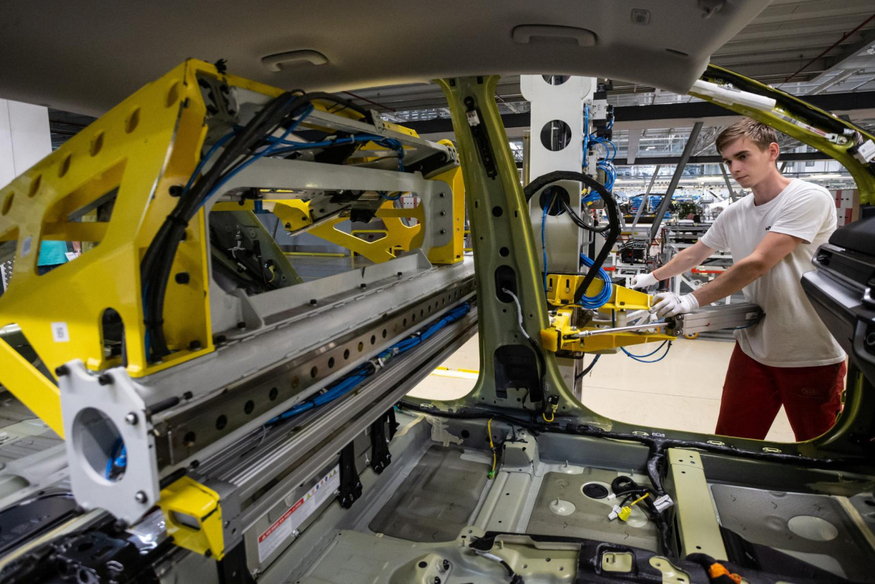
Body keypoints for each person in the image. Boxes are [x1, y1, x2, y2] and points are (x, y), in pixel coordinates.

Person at [630, 118, 846, 442]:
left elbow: (758, 263)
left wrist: (690, 300)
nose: (734, 167)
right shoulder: (735, 212)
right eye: (728, 161)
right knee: (730, 440)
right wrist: (649, 278)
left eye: (742, 156)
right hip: (753, 346)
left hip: (808, 351)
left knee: (819, 446)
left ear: (772, 151)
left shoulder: (808, 198)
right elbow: (694, 254)